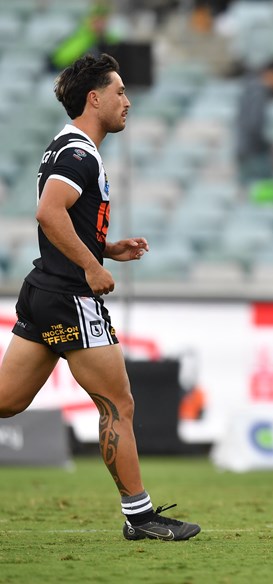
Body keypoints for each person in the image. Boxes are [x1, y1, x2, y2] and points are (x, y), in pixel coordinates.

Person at [0, 53, 200, 541]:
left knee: (5, 401)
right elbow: (49, 213)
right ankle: (141, 517)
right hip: (70, 295)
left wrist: (106, 247)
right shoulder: (79, 152)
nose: (128, 102)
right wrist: (92, 266)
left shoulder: (69, 148)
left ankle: (140, 514)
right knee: (118, 405)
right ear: (95, 98)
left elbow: (64, 216)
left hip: (46, 288)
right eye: (120, 92)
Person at [235, 59, 273, 193]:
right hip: (255, 152)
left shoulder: (250, 89)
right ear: (272, 74)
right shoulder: (259, 92)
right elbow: (254, 124)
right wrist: (267, 144)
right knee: (263, 193)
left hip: (246, 149)